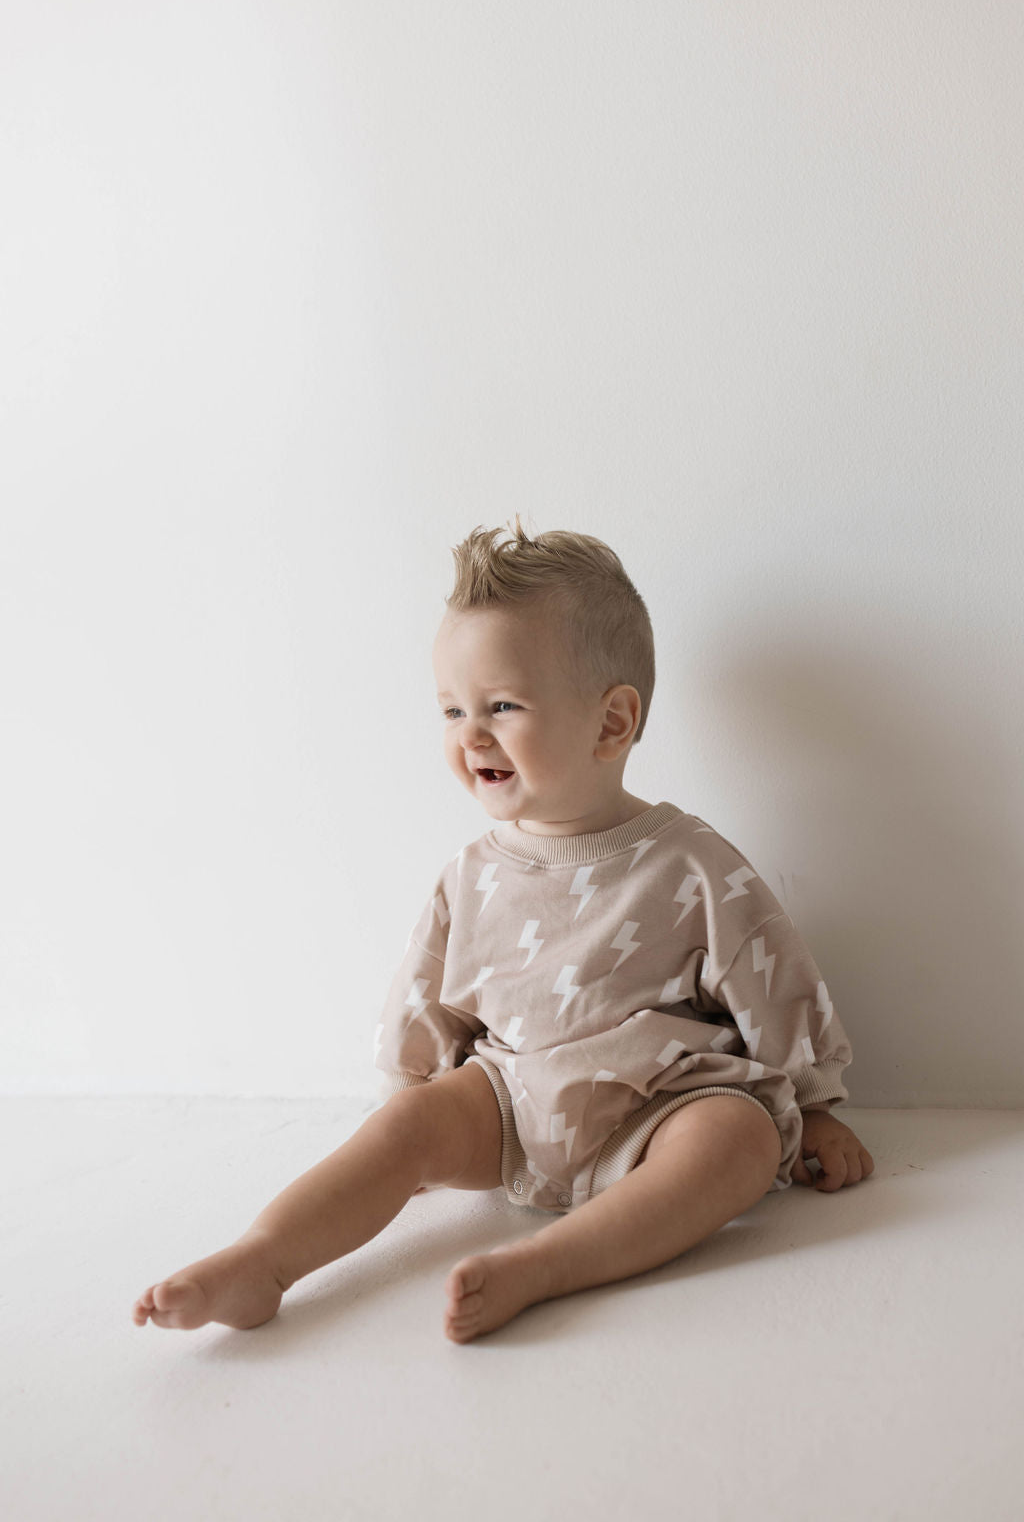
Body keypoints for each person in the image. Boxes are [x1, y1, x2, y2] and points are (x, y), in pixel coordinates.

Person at [133, 518, 873, 1344]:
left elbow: (770, 975)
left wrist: (814, 1104)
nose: (468, 733)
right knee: (407, 1126)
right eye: (451, 708)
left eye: (501, 705)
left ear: (610, 723)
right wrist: (414, 1103)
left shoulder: (689, 862)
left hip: (657, 1107)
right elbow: (427, 996)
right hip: (511, 1102)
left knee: (737, 1138)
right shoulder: (473, 871)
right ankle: (261, 1260)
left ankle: (549, 1263)